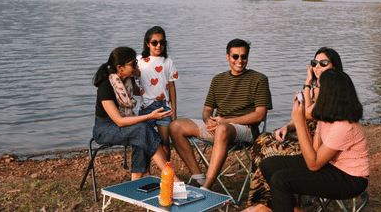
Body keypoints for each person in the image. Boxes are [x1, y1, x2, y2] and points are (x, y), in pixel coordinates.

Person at [255, 69, 368, 212]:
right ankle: (295, 209)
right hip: (331, 165)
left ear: (326, 92)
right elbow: (313, 151)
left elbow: (313, 165)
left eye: (316, 85)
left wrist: (300, 122)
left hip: (350, 179)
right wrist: (301, 119)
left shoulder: (344, 126)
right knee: (269, 164)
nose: (313, 89)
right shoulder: (327, 115)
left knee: (280, 180)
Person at [169, 38, 273, 190]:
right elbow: (207, 110)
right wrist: (207, 120)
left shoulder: (259, 79)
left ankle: (206, 187)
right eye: (235, 56)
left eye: (243, 56)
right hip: (218, 127)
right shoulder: (218, 79)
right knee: (175, 126)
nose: (240, 60)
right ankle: (198, 178)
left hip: (245, 130)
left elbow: (260, 115)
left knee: (223, 129)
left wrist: (227, 121)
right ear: (227, 57)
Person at [247, 47, 343, 209]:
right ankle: (265, 200)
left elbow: (307, 114)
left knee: (270, 152)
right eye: (315, 63)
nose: (317, 67)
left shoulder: (335, 90)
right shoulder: (315, 87)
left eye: (323, 63)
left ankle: (283, 202)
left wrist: (307, 82)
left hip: (317, 142)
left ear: (334, 66)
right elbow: (303, 116)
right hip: (302, 131)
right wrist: (287, 126)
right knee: (261, 141)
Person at [92, 46, 178, 181]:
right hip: (105, 129)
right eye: (133, 63)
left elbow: (145, 91)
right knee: (142, 129)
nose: (137, 65)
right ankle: (172, 178)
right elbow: (119, 121)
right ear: (120, 68)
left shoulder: (128, 82)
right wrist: (150, 116)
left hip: (122, 126)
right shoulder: (105, 87)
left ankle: (136, 181)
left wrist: (161, 85)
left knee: (142, 133)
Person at [136, 26, 179, 160]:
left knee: (165, 143)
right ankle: (147, 173)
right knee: (145, 142)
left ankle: (167, 175)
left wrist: (174, 111)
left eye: (162, 42)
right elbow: (132, 85)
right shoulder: (139, 61)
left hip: (164, 107)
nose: (158, 45)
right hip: (145, 107)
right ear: (147, 43)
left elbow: (172, 87)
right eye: (154, 43)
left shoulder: (168, 62)